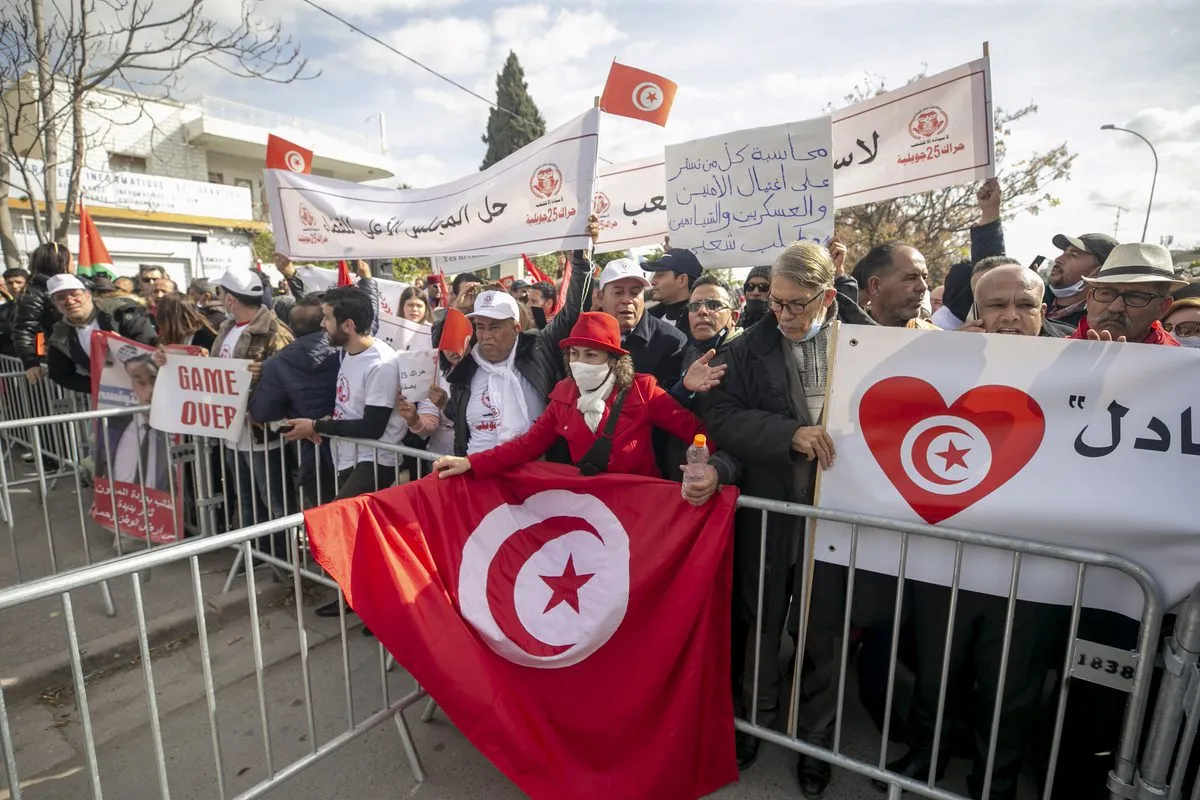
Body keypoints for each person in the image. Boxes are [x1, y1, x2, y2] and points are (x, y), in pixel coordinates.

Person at [703, 241, 891, 797]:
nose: (782, 315)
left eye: (795, 304)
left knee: (824, 632)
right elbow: (722, 415)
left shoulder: (873, 346)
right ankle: (754, 721)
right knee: (760, 621)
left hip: (839, 514)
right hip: (771, 509)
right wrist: (789, 435)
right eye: (775, 303)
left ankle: (816, 741)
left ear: (827, 297)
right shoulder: (745, 348)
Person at [433, 312, 734, 502]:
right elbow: (526, 446)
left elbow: (696, 432)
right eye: (574, 354)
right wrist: (472, 463)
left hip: (642, 501)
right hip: (590, 503)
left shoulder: (643, 392)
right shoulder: (563, 397)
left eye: (591, 355)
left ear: (613, 360)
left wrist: (707, 469)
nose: (580, 362)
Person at [445, 250, 590, 457]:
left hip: (535, 470)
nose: (486, 335)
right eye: (480, 327)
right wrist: (457, 308)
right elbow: (458, 426)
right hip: (478, 472)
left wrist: (580, 261)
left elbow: (572, 313)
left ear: (516, 328)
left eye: (495, 327)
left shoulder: (539, 348)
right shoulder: (465, 371)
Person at [211, 267, 294, 529]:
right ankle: (256, 548)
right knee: (246, 499)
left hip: (261, 434)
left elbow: (286, 380)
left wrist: (261, 380)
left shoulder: (274, 331)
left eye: (220, 293)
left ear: (229, 299)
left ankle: (283, 550)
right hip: (232, 431)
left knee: (275, 502)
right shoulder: (225, 329)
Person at [249, 294, 340, 508]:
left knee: (326, 515)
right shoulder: (347, 350)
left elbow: (262, 412)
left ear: (290, 327)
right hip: (353, 449)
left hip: (314, 455)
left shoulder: (275, 364)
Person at [44, 274, 157, 394]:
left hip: (151, 385)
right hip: (116, 397)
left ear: (88, 295)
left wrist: (123, 345)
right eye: (61, 297)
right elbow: (60, 374)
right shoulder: (60, 334)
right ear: (55, 303)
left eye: (75, 294)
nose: (70, 301)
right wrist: (98, 386)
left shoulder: (120, 312)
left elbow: (150, 343)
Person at [594, 257, 688, 387]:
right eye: (618, 292)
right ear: (600, 297)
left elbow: (670, 396)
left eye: (635, 293)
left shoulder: (672, 341)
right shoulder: (584, 335)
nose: (627, 300)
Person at [1068, 243, 1185, 345]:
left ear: (1162, 307)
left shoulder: (1178, 361)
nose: (1115, 308)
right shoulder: (1058, 350)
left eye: (1136, 297)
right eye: (1106, 293)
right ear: (1089, 299)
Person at [668, 276, 740, 408]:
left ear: (734, 317)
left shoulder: (751, 352)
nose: (702, 311)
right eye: (694, 306)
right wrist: (683, 388)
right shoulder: (687, 351)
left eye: (714, 305)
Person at [13, 241, 77, 382]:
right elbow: (24, 329)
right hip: (61, 358)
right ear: (60, 262)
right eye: (71, 259)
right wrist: (31, 363)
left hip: (81, 353)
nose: (74, 264)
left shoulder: (78, 285)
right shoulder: (35, 291)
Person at [958, 265, 1073, 337]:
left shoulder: (1074, 344)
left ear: (1042, 312)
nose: (1011, 316)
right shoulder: (956, 352)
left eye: (1026, 305)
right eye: (997, 305)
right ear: (976, 312)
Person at [852, 242, 939, 329]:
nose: (923, 287)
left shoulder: (936, 336)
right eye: (911, 278)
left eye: (924, 277)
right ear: (876, 286)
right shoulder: (847, 332)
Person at [1046, 232, 1119, 328]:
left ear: (1099, 272)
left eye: (1073, 254)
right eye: (1064, 252)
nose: (1058, 259)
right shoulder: (1036, 298)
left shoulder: (1097, 325)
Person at [643, 248, 703, 336]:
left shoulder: (702, 322)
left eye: (660, 274)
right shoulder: (647, 317)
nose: (652, 281)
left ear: (682, 280)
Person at [739, 265, 772, 329]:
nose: (755, 292)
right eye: (750, 286)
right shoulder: (735, 322)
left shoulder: (782, 325)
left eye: (763, 286)